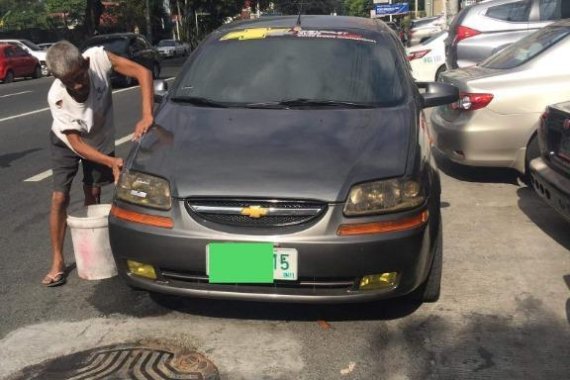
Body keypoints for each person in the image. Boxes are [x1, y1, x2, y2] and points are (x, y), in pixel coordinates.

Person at [41, 40, 154, 286]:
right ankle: (58, 260)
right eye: (70, 82)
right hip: (67, 141)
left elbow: (142, 73)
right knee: (59, 197)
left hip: (100, 137)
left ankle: (94, 250)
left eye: (80, 76)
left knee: (93, 191)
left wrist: (147, 115)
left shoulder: (99, 59)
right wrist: (111, 161)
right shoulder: (57, 97)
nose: (78, 85)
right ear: (58, 79)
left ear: (86, 63)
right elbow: (77, 144)